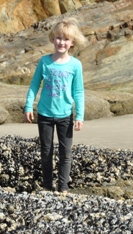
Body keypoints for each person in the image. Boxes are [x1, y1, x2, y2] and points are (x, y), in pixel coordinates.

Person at [24, 17, 87, 193]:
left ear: (72, 42)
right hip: (44, 114)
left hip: (65, 115)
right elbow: (34, 85)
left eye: (66, 39)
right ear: (53, 38)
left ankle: (63, 187)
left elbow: (79, 92)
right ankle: (47, 186)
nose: (62, 42)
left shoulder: (75, 65)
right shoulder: (45, 62)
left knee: (65, 154)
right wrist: (29, 106)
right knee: (46, 152)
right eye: (59, 38)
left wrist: (80, 116)